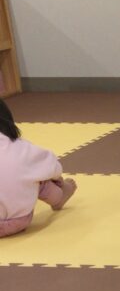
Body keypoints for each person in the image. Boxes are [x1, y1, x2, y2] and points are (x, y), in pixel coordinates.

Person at [0, 98, 77, 237]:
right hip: (18, 221)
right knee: (37, 177)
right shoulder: (21, 148)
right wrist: (56, 178)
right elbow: (53, 167)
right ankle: (59, 197)